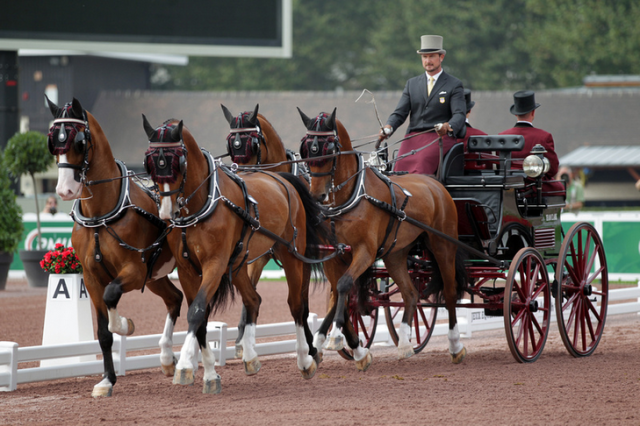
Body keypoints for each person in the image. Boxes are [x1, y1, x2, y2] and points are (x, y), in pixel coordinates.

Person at [378, 35, 466, 175]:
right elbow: (400, 113)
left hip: (439, 138)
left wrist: (447, 126)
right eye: (424, 57)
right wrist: (389, 126)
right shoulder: (412, 84)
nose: (428, 61)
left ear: (441, 57)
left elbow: (459, 114)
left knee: (421, 163)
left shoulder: (454, 84)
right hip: (413, 138)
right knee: (398, 166)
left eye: (431, 56)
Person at [499, 90, 559, 179]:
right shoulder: (544, 137)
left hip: (508, 185)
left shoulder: (502, 136)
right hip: (534, 186)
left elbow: (499, 166)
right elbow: (552, 169)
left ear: (516, 114)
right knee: (560, 188)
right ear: (533, 112)